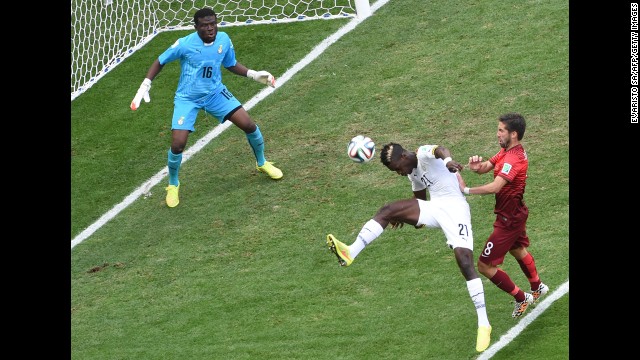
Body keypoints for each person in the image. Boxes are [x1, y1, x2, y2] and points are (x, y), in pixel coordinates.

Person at [326, 143, 492, 352]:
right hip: (435, 207)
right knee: (388, 210)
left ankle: (484, 323)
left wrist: (448, 162)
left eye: (398, 168)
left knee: (465, 262)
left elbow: (440, 150)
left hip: (456, 208)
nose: (399, 172)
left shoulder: (422, 154)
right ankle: (350, 252)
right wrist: (404, 216)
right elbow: (420, 202)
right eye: (395, 171)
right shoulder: (411, 173)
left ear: (404, 156)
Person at [130, 7, 283, 208]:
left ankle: (262, 163)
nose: (210, 28)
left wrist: (253, 74)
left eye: (213, 24)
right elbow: (160, 60)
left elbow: (230, 64)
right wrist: (146, 83)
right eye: (205, 25)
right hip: (188, 99)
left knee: (249, 124)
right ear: (196, 27)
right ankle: (173, 185)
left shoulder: (224, 39)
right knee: (178, 144)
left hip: (215, 94)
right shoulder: (185, 44)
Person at [463, 112, 549, 318]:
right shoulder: (506, 152)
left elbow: (495, 187)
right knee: (518, 249)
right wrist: (476, 167)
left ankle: (521, 297)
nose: (497, 134)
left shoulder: (513, 159)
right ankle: (537, 287)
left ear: (514, 134)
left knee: (484, 265)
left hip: (508, 220)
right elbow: (486, 167)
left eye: (501, 130)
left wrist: (465, 191)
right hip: (516, 213)